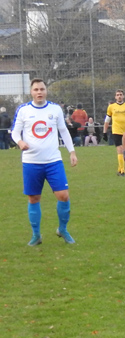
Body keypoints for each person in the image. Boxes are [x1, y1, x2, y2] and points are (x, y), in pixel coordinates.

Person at [11, 78, 79, 246]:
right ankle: (36, 235)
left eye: (42, 89)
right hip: (31, 162)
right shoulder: (23, 110)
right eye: (36, 89)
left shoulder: (55, 109)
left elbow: (63, 131)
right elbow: (15, 132)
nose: (39, 92)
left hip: (53, 161)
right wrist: (19, 142)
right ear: (31, 92)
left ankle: (62, 229)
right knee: (34, 198)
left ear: (46, 91)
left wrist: (72, 152)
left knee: (63, 196)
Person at [103, 89, 125, 176]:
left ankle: (120, 169)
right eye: (117, 95)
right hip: (116, 131)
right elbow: (107, 121)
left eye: (120, 94)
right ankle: (123, 171)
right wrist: (104, 132)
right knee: (119, 150)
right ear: (115, 97)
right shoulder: (111, 107)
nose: (119, 96)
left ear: (123, 96)